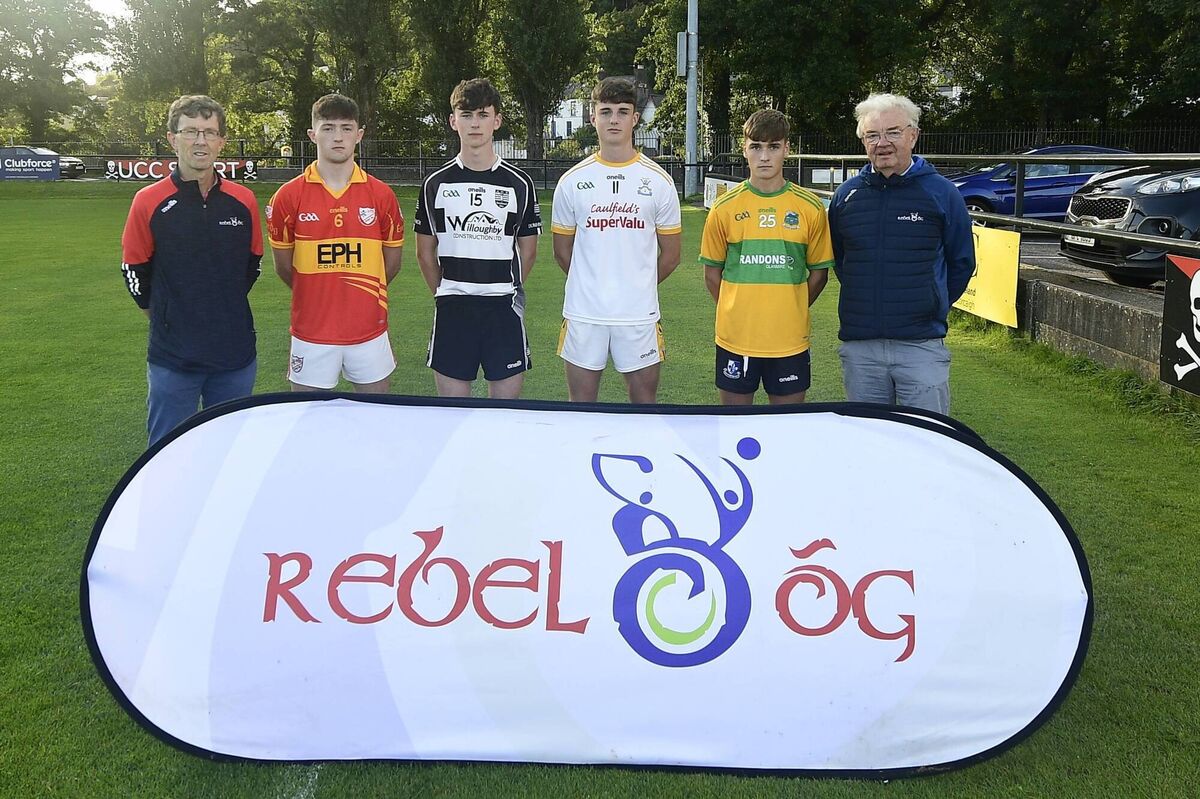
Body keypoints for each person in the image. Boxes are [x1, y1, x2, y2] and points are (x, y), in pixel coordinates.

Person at [120, 95, 262, 447]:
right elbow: (134, 270)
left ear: (221, 142)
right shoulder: (148, 201)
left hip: (234, 355)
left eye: (210, 132)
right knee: (167, 453)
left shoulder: (243, 201)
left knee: (227, 450)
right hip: (174, 357)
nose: (201, 141)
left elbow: (252, 264)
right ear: (172, 138)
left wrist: (220, 304)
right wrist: (169, 315)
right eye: (191, 132)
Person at [828, 93, 975, 414]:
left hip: (920, 345)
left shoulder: (942, 193)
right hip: (861, 346)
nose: (883, 143)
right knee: (870, 445)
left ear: (913, 135)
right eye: (872, 135)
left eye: (893, 132)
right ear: (863, 141)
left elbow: (961, 262)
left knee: (927, 443)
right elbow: (842, 260)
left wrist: (928, 304)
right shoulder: (847, 195)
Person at [551, 77, 682, 404]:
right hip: (585, 314)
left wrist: (636, 285)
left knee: (644, 407)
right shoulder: (572, 181)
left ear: (635, 118)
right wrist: (593, 284)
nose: (613, 119)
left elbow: (671, 256)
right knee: (580, 409)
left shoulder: (659, 181)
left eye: (622, 112)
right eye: (605, 111)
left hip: (638, 315)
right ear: (593, 117)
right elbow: (562, 252)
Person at [267, 94, 404, 393]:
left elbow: (391, 264)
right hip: (312, 333)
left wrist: (362, 292)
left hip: (369, 330)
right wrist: (316, 291)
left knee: (373, 422)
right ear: (312, 134)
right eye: (328, 128)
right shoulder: (288, 197)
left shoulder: (381, 196)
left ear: (359, 134)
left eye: (346, 128)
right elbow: (283, 267)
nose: (337, 137)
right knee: (309, 427)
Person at [414, 78, 541, 399]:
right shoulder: (435, 183)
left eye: (483, 115)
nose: (475, 123)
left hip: (503, 309)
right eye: (466, 115)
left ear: (496, 121)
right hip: (453, 309)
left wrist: (502, 285)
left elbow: (528, 250)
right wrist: (448, 291)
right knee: (453, 417)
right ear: (453, 120)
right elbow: (425, 254)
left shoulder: (519, 183)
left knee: (505, 417)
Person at [700, 109, 831, 405]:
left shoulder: (810, 207)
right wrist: (739, 309)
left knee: (786, 433)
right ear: (744, 149)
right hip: (736, 338)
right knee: (736, 431)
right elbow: (712, 275)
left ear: (786, 149)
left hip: (789, 340)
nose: (764, 156)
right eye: (756, 146)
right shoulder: (723, 208)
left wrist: (789, 304)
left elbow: (819, 274)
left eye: (773, 147)